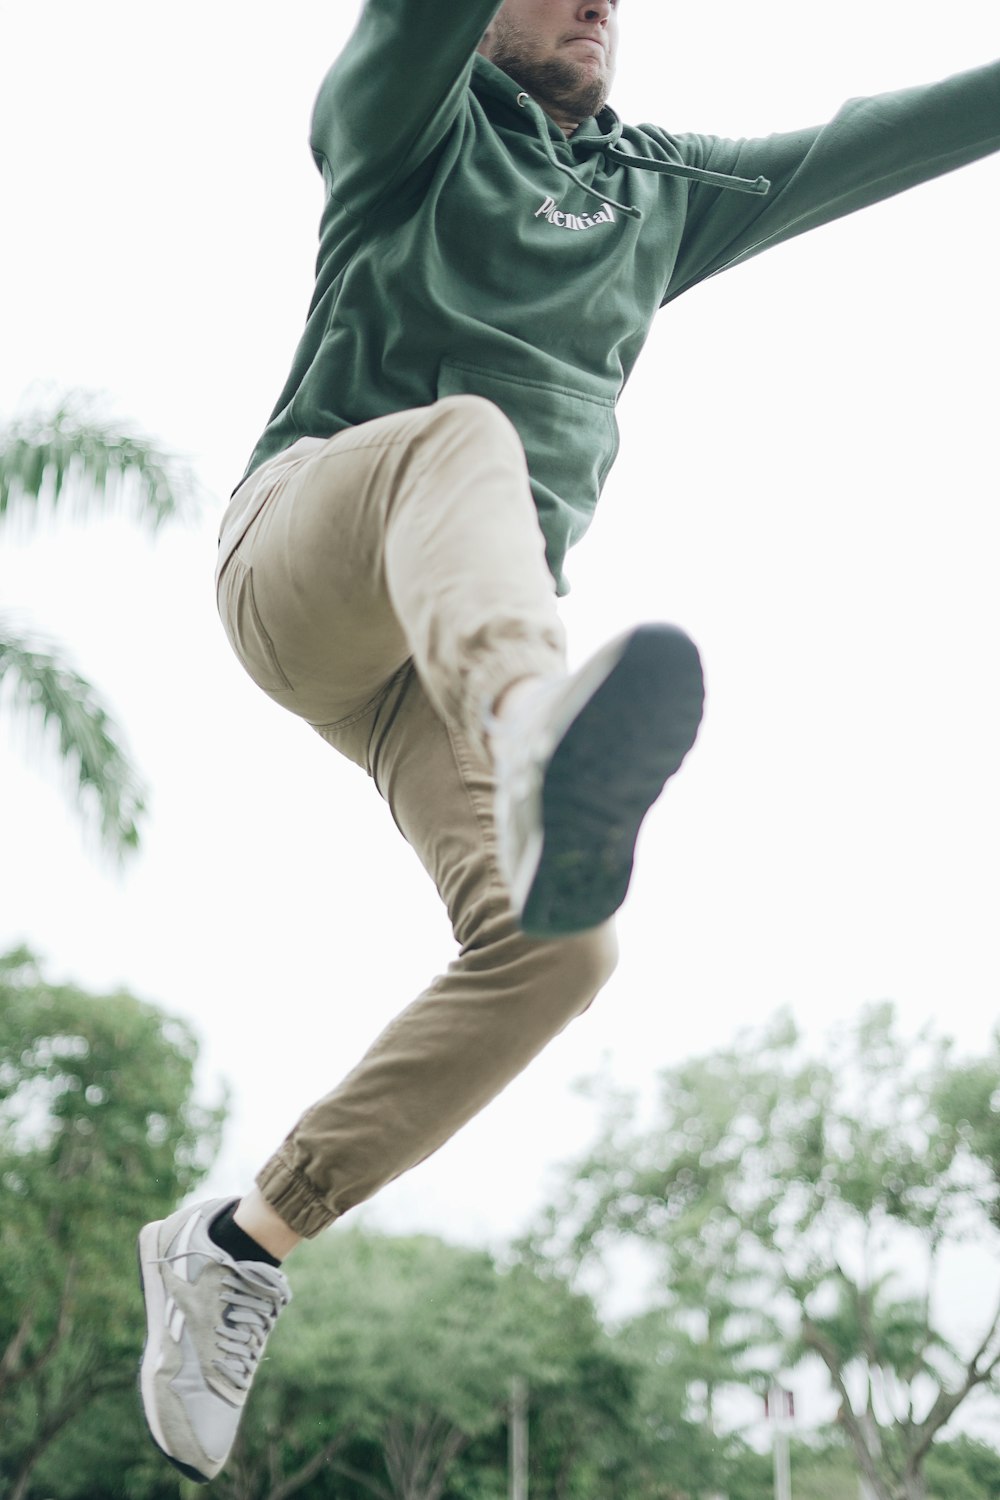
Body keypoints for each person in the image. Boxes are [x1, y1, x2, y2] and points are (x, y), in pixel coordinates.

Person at [138, 0, 1000, 1481]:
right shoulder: (410, 121)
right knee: (463, 433)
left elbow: (895, 134)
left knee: (561, 951)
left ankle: (242, 1237)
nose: (599, 2)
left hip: (433, 670)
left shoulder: (663, 194)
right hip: (304, 560)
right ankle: (537, 727)